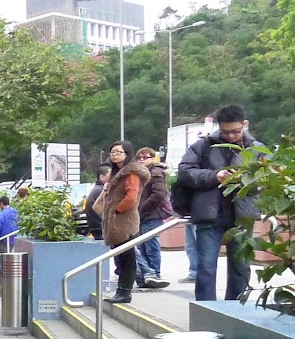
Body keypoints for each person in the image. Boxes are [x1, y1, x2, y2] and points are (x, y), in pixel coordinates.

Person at [177, 105, 257, 302]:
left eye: (236, 131)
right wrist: (215, 176)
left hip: (241, 216)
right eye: (225, 131)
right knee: (206, 267)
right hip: (209, 215)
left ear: (245, 125)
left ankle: (236, 310)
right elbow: (184, 171)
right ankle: (206, 310)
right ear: (218, 127)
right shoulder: (203, 145)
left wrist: (246, 180)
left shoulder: (256, 148)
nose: (231, 136)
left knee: (241, 266)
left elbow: (266, 179)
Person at [95, 142, 147, 305]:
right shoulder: (117, 173)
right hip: (115, 221)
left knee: (127, 257)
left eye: (118, 151)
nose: (114, 154)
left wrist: (117, 210)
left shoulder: (131, 173)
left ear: (127, 153)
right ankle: (121, 291)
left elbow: (132, 197)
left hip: (124, 220)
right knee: (120, 257)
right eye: (112, 151)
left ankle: (125, 292)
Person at [135, 147, 173, 290]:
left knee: (151, 246)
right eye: (139, 157)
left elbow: (158, 194)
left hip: (152, 215)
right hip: (142, 215)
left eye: (146, 157)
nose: (142, 160)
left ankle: (155, 274)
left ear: (152, 158)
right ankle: (147, 275)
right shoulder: (141, 174)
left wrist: (141, 207)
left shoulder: (155, 172)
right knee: (142, 246)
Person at [82, 168, 108, 241]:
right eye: (110, 174)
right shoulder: (100, 190)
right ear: (102, 177)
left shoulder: (97, 189)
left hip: (96, 228)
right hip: (100, 228)